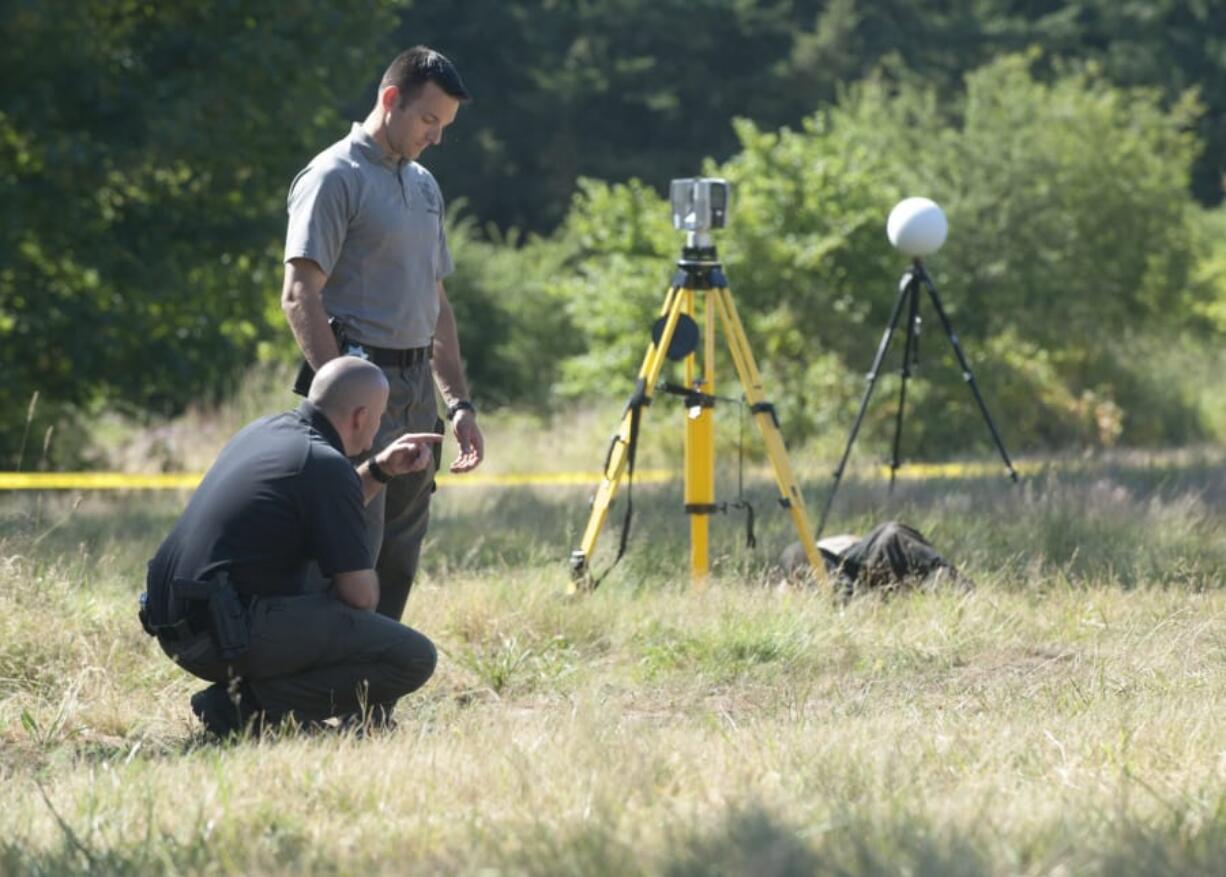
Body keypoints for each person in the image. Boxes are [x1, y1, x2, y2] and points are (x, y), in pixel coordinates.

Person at [281, 46, 483, 623]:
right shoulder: (332, 177)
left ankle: (374, 695)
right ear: (390, 100)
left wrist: (459, 402)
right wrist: (340, 400)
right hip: (357, 391)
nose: (437, 137)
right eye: (428, 120)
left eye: (444, 126)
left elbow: (436, 304)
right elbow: (299, 295)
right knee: (347, 556)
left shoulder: (425, 186)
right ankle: (317, 688)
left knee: (399, 551)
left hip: (419, 391)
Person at [140, 357, 443, 737]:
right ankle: (244, 709)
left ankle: (250, 702)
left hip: (178, 625)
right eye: (381, 416)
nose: (381, 425)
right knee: (412, 657)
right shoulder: (324, 464)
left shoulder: (266, 430)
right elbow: (360, 596)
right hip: (223, 636)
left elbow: (322, 497)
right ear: (361, 416)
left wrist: (379, 469)